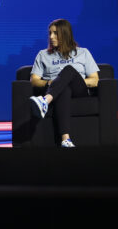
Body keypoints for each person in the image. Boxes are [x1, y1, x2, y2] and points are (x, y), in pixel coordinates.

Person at [28, 18, 101, 148]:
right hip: (56, 91)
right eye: (50, 33)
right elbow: (34, 80)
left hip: (79, 90)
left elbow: (95, 80)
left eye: (55, 33)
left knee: (68, 70)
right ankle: (65, 139)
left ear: (65, 34)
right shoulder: (43, 55)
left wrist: (69, 79)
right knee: (64, 89)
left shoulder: (83, 52)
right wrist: (51, 82)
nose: (51, 37)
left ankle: (45, 101)